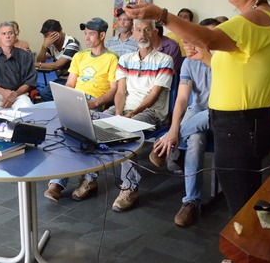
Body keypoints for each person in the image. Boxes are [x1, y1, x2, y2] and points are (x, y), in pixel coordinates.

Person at [124, 0, 270, 216]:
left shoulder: (255, 19)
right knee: (244, 199)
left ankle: (244, 255)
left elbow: (208, 37)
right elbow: (237, 68)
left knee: (242, 205)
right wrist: (207, 57)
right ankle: (244, 252)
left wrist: (162, 15)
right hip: (239, 125)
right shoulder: (258, 20)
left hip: (240, 126)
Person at [150, 18, 220, 227]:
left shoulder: (225, 61)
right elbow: (182, 99)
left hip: (219, 113)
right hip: (197, 112)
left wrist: (172, 133)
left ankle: (163, 145)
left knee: (202, 121)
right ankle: (191, 201)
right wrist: (173, 127)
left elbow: (219, 106)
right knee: (196, 140)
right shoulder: (190, 62)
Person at [44, 17, 118, 202]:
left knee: (84, 134)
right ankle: (57, 182)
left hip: (94, 101)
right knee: (60, 132)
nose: (86, 37)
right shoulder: (79, 56)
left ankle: (89, 179)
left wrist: (94, 103)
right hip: (75, 99)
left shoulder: (111, 58)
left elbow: (114, 89)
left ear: (102, 35)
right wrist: (65, 99)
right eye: (85, 33)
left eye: (91, 34)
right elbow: (70, 84)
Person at [104, 19, 174, 212]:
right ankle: (89, 178)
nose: (142, 34)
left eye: (147, 30)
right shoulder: (125, 59)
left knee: (125, 131)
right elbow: (120, 91)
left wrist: (131, 114)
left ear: (154, 33)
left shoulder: (164, 60)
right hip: (124, 108)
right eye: (138, 30)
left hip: (151, 112)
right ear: (133, 34)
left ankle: (130, 187)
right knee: (94, 119)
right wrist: (118, 114)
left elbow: (154, 95)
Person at [0, 21, 37, 111]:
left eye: (10, 33)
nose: (7, 36)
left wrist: (14, 94)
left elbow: (29, 82)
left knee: (28, 111)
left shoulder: (25, 56)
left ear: (15, 36)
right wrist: (4, 92)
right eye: (3, 34)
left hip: (19, 94)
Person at [34, 19, 80, 102]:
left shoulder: (72, 43)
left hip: (75, 79)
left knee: (47, 93)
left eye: (52, 36)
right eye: (46, 37)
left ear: (60, 31)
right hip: (62, 79)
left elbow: (58, 65)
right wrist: (44, 46)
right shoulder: (51, 44)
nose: (50, 39)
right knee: (45, 93)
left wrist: (35, 64)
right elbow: (40, 60)